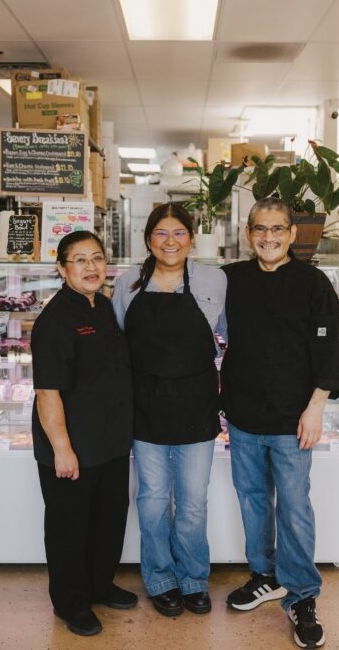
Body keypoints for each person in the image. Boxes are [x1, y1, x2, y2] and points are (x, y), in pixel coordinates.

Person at [219, 199, 339, 649]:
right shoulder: (231, 279)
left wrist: (315, 407)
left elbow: (332, 350)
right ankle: (265, 575)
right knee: (253, 501)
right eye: (260, 228)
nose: (268, 237)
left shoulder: (313, 283)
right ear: (248, 233)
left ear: (293, 234)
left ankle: (302, 596)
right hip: (243, 415)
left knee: (293, 507)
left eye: (277, 229)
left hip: (294, 419)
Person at [112, 203, 227, 617]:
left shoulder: (214, 280)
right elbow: (118, 340)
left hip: (197, 403)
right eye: (161, 233)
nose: (170, 241)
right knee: (153, 499)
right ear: (148, 240)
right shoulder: (127, 284)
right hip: (146, 405)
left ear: (191, 239)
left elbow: (227, 334)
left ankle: (194, 579)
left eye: (179, 232)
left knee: (193, 501)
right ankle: (161, 579)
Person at [31, 230, 136, 637]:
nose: (91, 267)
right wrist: (62, 449)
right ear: (62, 268)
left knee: (108, 520)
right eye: (80, 260)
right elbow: (47, 392)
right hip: (73, 445)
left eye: (97, 258)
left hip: (110, 441)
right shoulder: (55, 320)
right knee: (69, 527)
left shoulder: (103, 306)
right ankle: (70, 602)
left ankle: (99, 585)